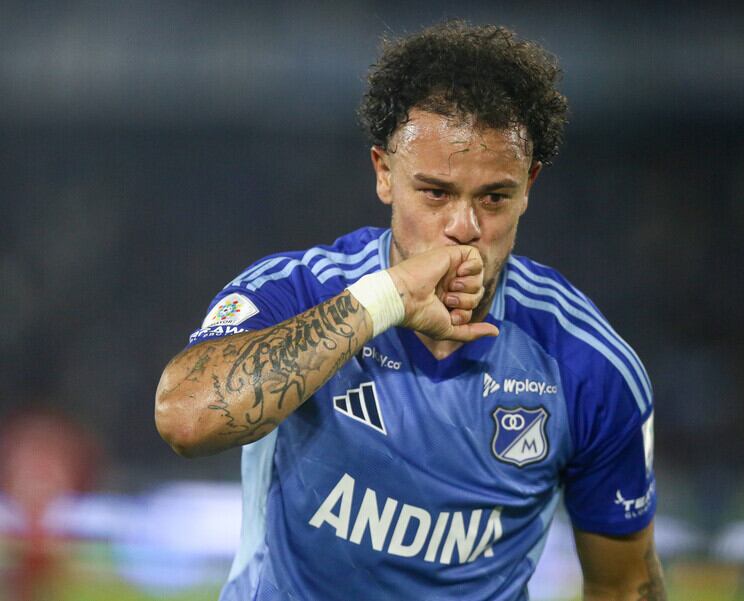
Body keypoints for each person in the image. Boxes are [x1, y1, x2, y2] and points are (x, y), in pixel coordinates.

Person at [155, 21, 664, 601]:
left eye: (494, 197)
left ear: (529, 186)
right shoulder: (301, 291)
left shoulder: (588, 367)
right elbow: (186, 419)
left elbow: (625, 585)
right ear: (383, 174)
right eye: (436, 193)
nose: (464, 229)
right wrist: (385, 299)